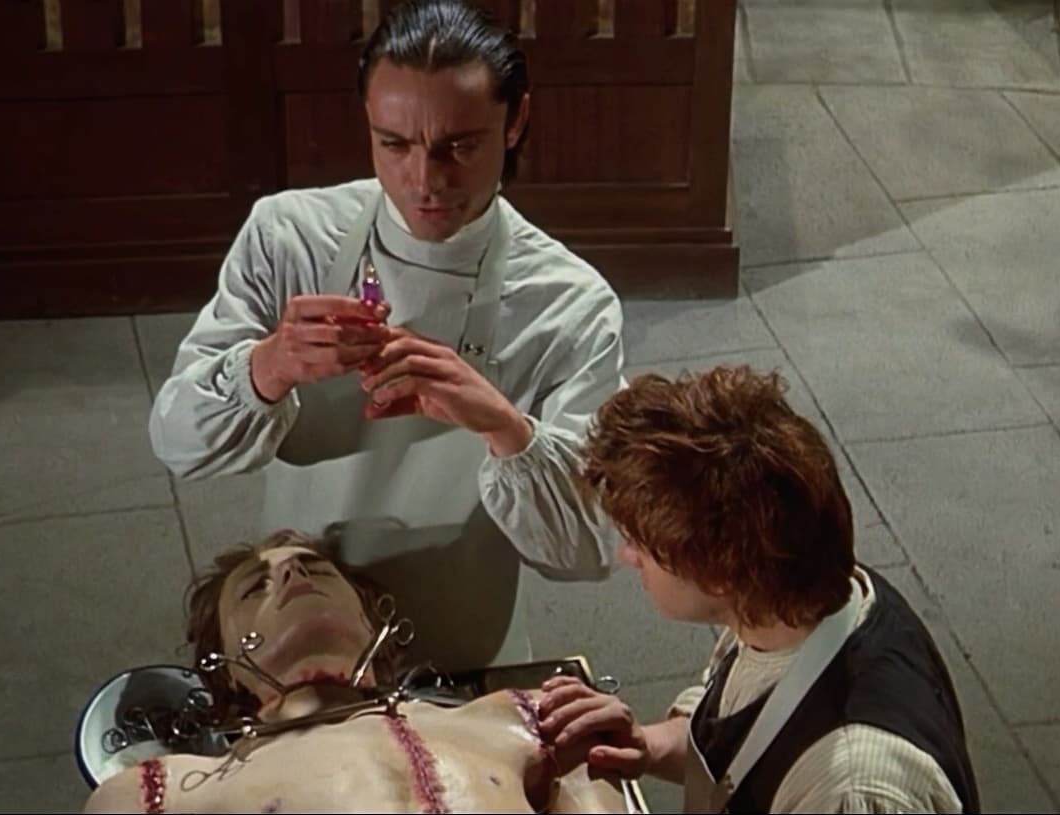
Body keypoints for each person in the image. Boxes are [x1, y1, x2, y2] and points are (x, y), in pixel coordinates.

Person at [146, 0, 624, 673]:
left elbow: (587, 549)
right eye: (394, 144)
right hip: (308, 648)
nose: (424, 181)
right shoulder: (290, 238)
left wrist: (504, 426)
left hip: (462, 643)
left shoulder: (569, 304)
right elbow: (177, 444)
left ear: (515, 120)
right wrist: (267, 367)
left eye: (459, 146)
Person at [537, 366, 982, 813]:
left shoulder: (852, 792)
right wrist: (647, 746)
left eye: (640, 544)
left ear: (717, 573)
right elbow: (747, 740)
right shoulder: (783, 602)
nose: (626, 556)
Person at [83, 528, 631, 814]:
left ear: (372, 618)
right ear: (225, 670)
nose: (292, 575)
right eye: (255, 587)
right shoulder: (163, 794)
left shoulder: (531, 719)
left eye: (315, 569)